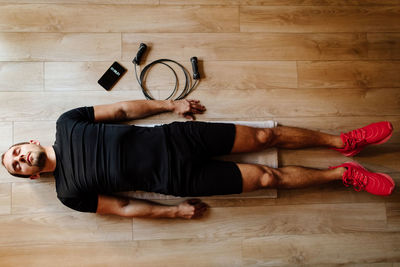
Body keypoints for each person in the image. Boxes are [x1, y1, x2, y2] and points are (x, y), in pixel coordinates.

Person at [1, 99, 395, 219]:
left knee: (264, 135)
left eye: (16, 151)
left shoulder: (67, 122)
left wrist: (168, 104)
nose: (20, 159)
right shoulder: (68, 193)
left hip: (179, 137)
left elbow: (121, 112)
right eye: (16, 166)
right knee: (266, 179)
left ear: (29, 141)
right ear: (31, 177)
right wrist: (172, 213)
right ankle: (344, 175)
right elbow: (121, 206)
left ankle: (343, 141)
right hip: (179, 180)